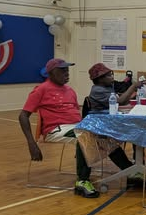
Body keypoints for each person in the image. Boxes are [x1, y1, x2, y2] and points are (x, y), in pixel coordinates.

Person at [19, 59, 137, 199]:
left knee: (105, 134)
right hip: (55, 129)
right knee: (84, 135)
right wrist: (31, 143)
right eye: (62, 70)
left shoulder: (70, 90)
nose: (67, 73)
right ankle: (82, 181)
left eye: (67, 70)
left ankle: (130, 171)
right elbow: (23, 116)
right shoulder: (40, 90)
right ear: (51, 73)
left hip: (77, 126)